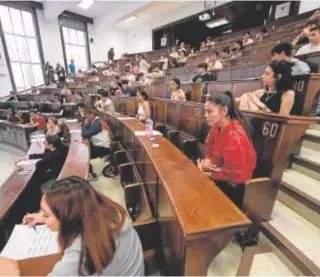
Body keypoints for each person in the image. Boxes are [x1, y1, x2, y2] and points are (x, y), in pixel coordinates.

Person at [0, 176, 145, 276]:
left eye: (46, 214)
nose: (43, 219)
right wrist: (43, 217)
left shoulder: (81, 250)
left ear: (67, 217)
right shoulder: (109, 213)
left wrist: (11, 273)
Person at [197, 91, 256, 209]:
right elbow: (208, 146)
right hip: (220, 174)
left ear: (224, 111)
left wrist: (204, 173)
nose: (205, 115)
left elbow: (233, 175)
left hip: (233, 187)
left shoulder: (235, 137)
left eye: (209, 111)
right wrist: (208, 160)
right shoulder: (216, 126)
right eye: (205, 111)